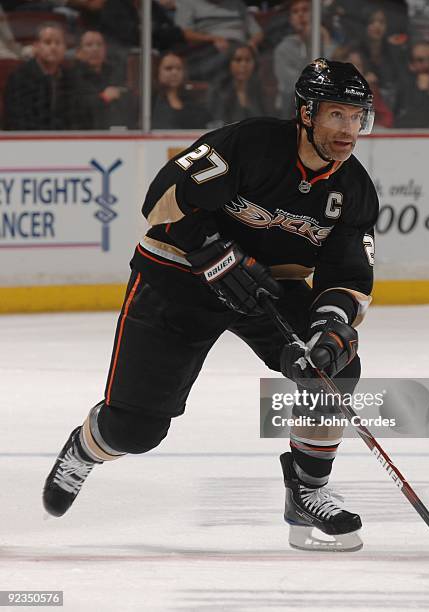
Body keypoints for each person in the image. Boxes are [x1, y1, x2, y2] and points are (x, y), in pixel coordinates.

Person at [42, 58, 379, 552]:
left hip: (267, 290)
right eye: (336, 115)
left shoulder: (354, 190)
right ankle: (86, 448)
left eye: (357, 117)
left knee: (335, 367)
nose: (348, 130)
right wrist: (213, 252)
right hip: (178, 278)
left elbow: (348, 277)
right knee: (134, 430)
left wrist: (329, 331)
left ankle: (307, 489)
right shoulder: (249, 144)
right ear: (306, 113)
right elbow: (161, 198)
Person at [3, 22, 87, 130]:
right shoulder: (19, 77)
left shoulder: (72, 78)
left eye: (58, 43)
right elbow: (17, 121)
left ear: (65, 48)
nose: (53, 47)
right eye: (47, 42)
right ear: (36, 47)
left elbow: (79, 118)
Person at [273, 0, 336, 118]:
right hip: (291, 109)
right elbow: (292, 85)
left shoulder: (324, 43)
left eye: (305, 10)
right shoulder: (284, 49)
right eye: (295, 12)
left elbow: (333, 74)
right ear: (291, 19)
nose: (300, 15)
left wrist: (326, 41)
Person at [174, 0, 264, 81]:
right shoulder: (189, 3)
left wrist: (252, 42)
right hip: (209, 48)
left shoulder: (237, 4)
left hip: (240, 46)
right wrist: (211, 39)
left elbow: (258, 32)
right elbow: (183, 33)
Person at [74, 30, 137, 129]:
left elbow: (128, 99)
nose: (95, 49)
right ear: (78, 52)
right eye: (89, 45)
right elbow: (77, 107)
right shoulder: (72, 76)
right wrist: (103, 98)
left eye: (99, 45)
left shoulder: (114, 72)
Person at [209, 43, 269, 125]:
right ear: (228, 63)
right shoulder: (218, 90)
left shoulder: (261, 90)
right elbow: (216, 123)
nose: (243, 65)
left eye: (248, 60)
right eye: (238, 60)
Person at [152, 51, 210, 129]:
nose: (174, 72)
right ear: (157, 72)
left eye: (179, 68)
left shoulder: (193, 102)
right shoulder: (150, 102)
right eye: (168, 68)